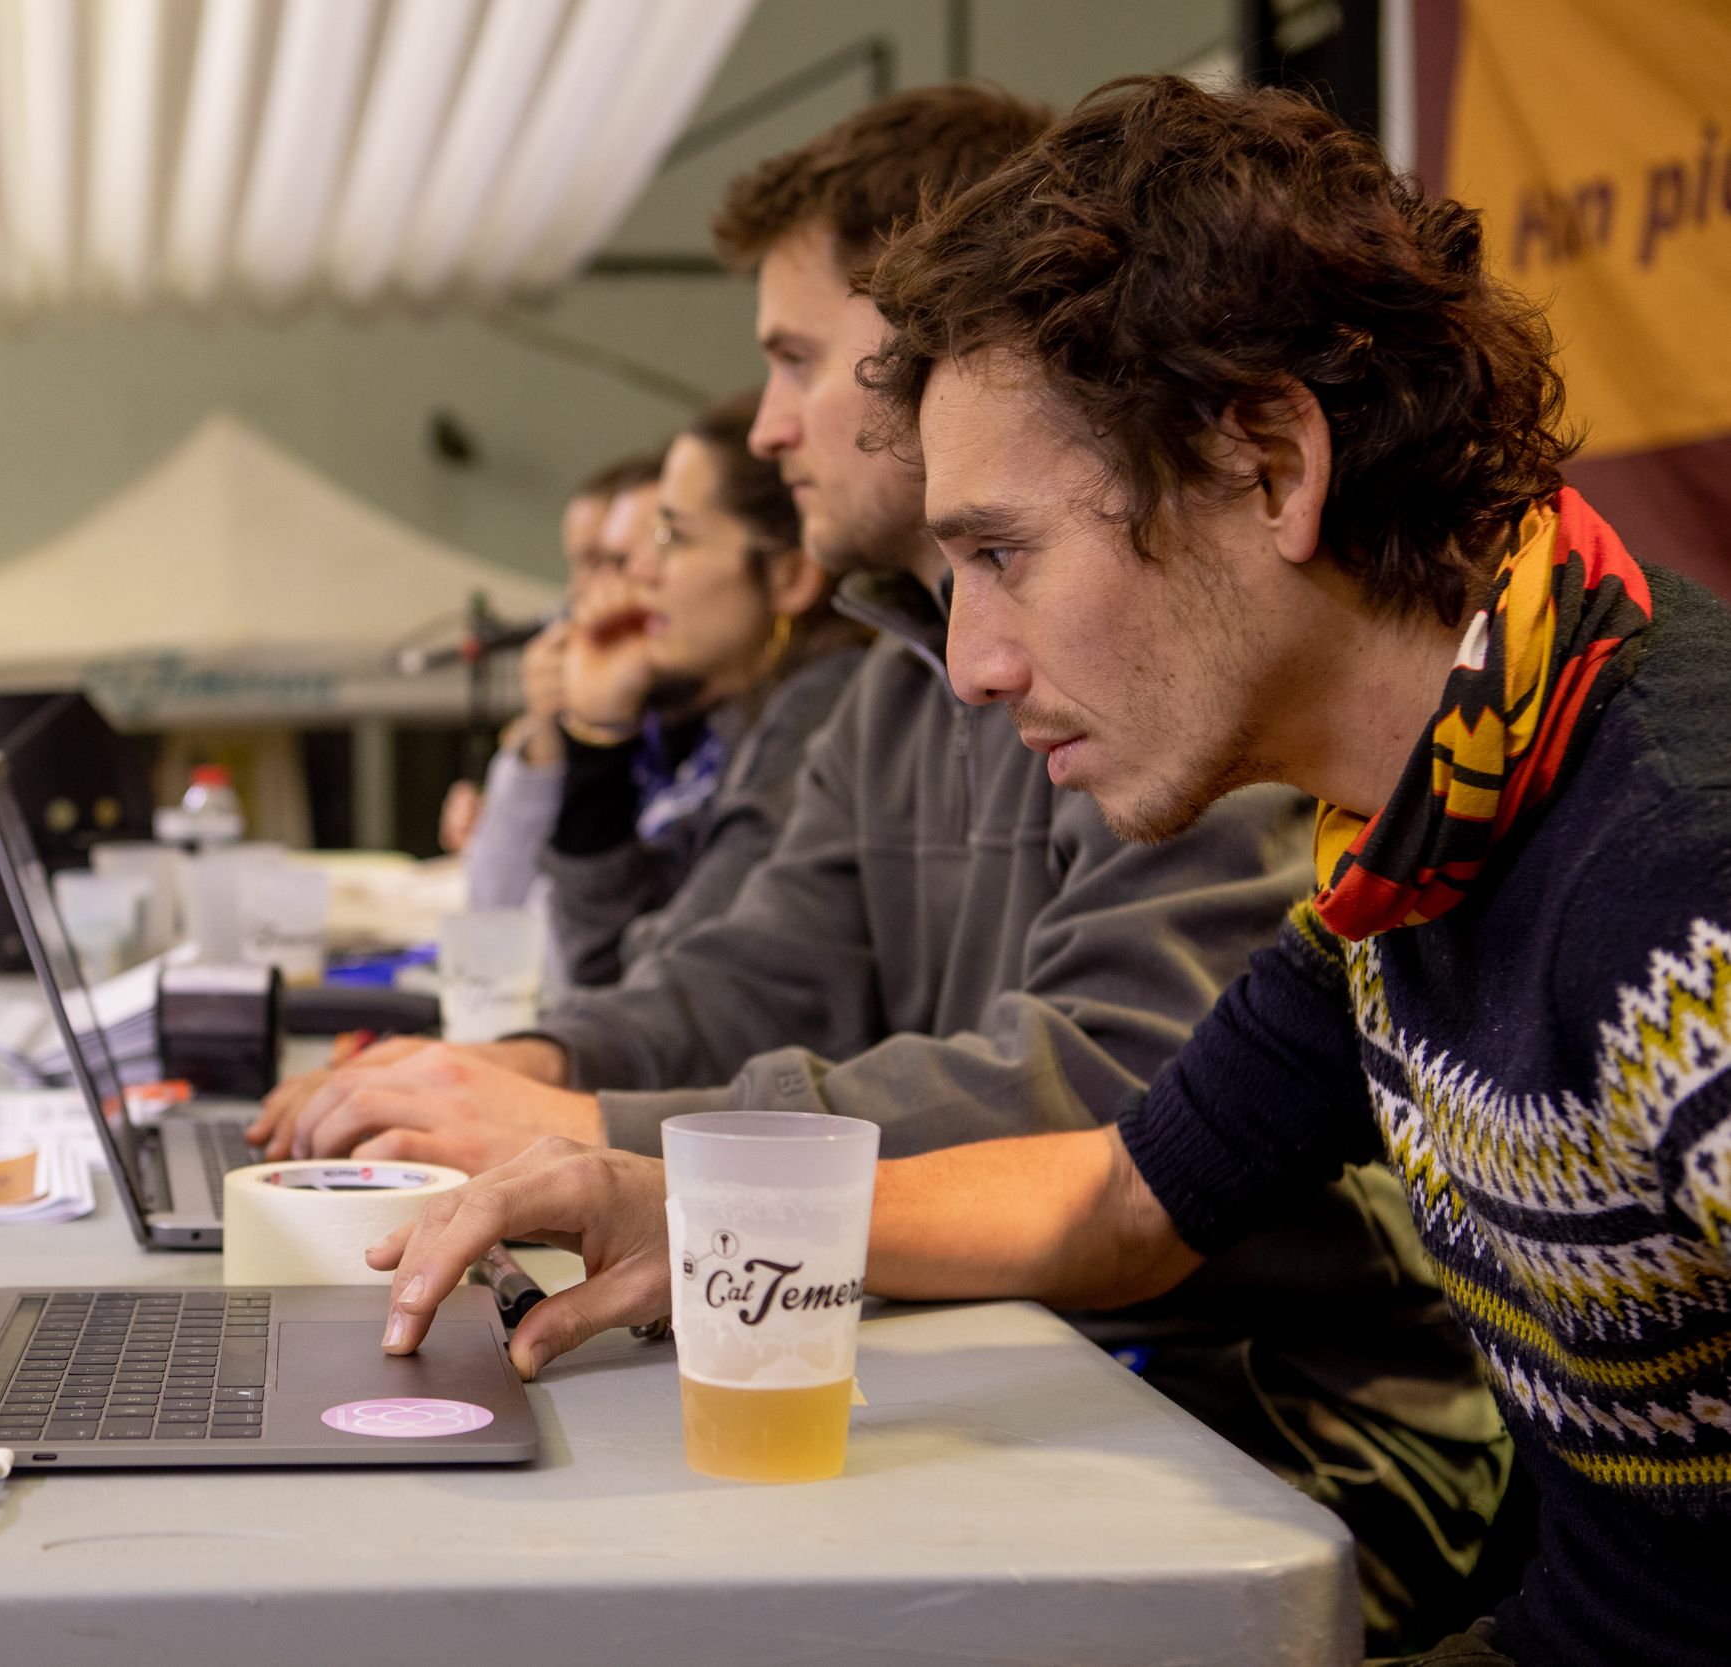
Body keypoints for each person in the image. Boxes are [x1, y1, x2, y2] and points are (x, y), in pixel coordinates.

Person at [374, 75, 1731, 1667]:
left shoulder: (1675, 874)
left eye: (1004, 555)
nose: (971, 661)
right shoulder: (1418, 837)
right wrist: (681, 1203)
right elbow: (1125, 1191)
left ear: (1270, 465)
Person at [543, 392, 869, 987]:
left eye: (674, 538)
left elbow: (642, 980)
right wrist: (598, 733)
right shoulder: (741, 717)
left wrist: (598, 742)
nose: (641, 572)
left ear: (790, 576)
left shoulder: (819, 717)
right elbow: (607, 964)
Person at [458, 456, 662, 912]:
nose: (581, 592)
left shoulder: (674, 732)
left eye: (611, 560)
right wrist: (543, 739)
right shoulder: (577, 716)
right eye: (583, 564)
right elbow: (493, 907)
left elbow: (563, 948)